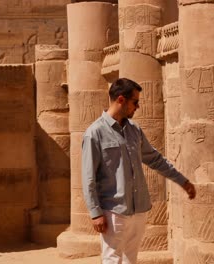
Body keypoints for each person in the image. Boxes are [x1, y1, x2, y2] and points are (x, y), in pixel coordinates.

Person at [81, 78, 196, 264]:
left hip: (138, 209)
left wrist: (182, 180)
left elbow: (155, 159)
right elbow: (88, 178)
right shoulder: (94, 133)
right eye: (135, 102)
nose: (138, 107)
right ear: (121, 100)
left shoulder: (134, 130)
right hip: (113, 211)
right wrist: (96, 213)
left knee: (130, 260)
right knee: (112, 260)